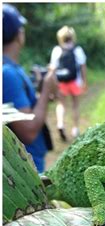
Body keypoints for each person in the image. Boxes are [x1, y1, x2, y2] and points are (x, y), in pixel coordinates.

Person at [3, 4, 57, 173]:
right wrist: (47, 89)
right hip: (25, 170)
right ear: (19, 34)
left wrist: (40, 93)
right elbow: (28, 131)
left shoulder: (12, 68)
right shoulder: (7, 73)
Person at [50, 26, 87, 141]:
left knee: (61, 104)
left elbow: (53, 68)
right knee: (75, 105)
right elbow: (82, 66)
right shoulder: (77, 50)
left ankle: (60, 124)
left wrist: (53, 84)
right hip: (75, 82)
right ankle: (75, 129)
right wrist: (84, 81)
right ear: (72, 37)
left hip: (61, 82)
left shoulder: (57, 50)